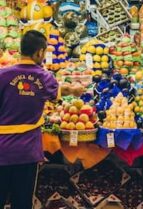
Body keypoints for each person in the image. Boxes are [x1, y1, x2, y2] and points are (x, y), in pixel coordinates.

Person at [0, 30, 60, 209]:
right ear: (40, 52)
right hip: (26, 152)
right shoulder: (46, 78)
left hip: (1, 149)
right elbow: (56, 96)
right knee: (22, 202)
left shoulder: (2, 75)